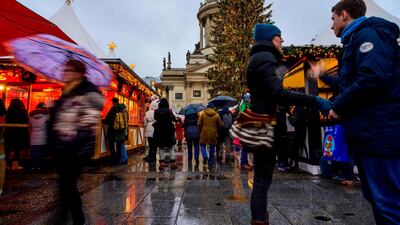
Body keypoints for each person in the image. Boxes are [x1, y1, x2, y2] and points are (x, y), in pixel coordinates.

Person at [309, 0, 400, 223]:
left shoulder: (368, 36)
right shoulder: (357, 39)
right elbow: (349, 82)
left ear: (345, 15)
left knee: (388, 203)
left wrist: (338, 107)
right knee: (379, 199)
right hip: (372, 132)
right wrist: (322, 76)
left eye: (333, 19)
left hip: (379, 132)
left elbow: (372, 77)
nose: (331, 26)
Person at [247, 24, 332, 225]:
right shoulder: (266, 58)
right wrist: (315, 100)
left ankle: (259, 218)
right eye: (279, 37)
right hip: (265, 123)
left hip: (259, 122)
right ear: (269, 39)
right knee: (262, 180)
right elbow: (277, 93)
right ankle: (259, 219)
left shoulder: (258, 58)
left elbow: (269, 89)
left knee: (261, 179)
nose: (282, 41)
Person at [48, 59, 104, 225]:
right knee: (67, 186)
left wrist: (72, 143)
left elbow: (88, 124)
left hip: (76, 148)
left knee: (66, 185)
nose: (65, 73)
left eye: (69, 70)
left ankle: (62, 219)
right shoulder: (67, 92)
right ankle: (77, 218)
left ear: (79, 73)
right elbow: (61, 119)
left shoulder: (89, 93)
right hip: (63, 147)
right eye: (65, 70)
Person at [4, 98, 29, 170]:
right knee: (17, 149)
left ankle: (5, 164)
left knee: (7, 149)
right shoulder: (23, 111)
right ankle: (15, 164)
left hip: (9, 132)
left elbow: (6, 120)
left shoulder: (9, 111)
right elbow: (26, 120)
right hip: (19, 132)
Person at [153, 98, 177, 170]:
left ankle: (162, 164)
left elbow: (155, 118)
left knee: (161, 147)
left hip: (159, 130)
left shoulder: (156, 111)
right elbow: (173, 118)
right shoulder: (169, 110)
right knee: (171, 147)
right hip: (169, 130)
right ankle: (172, 163)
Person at [105, 98, 129, 165]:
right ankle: (119, 159)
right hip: (121, 131)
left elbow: (107, 119)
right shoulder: (124, 110)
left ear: (113, 102)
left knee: (111, 145)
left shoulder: (113, 109)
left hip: (113, 130)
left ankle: (113, 160)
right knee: (119, 145)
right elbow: (127, 120)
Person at [29, 102, 49, 170]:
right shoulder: (47, 116)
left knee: (33, 152)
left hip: (33, 135)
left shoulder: (31, 116)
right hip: (43, 136)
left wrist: (29, 135)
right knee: (41, 152)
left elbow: (29, 127)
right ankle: (40, 166)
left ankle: (32, 166)